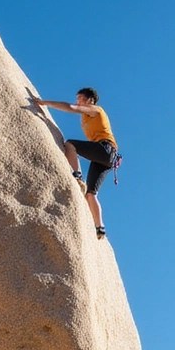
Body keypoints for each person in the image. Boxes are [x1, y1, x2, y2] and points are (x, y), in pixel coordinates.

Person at [34, 88, 118, 238]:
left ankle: (77, 174)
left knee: (70, 145)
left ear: (90, 100)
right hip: (106, 158)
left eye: (80, 98)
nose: (77, 101)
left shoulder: (95, 110)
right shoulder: (86, 117)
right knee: (90, 194)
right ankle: (100, 228)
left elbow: (70, 107)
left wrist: (45, 103)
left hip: (105, 149)